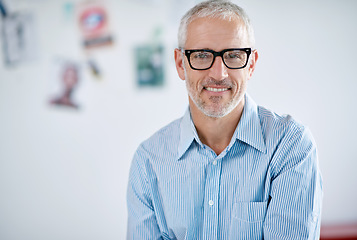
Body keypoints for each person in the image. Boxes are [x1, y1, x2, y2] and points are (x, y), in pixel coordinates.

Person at [126, 0, 323, 239]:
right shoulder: (149, 161)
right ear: (180, 64)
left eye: (233, 55)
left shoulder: (290, 147)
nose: (218, 74)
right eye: (201, 55)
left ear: (251, 65)